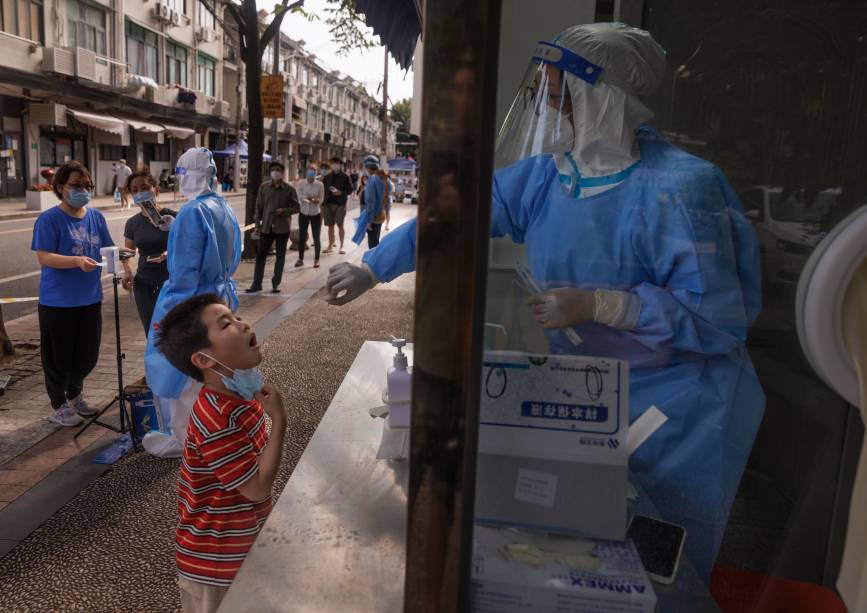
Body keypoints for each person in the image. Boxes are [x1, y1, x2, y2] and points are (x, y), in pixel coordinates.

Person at [326, 23, 765, 580]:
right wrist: (373, 265)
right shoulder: (549, 178)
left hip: (682, 406)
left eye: (561, 95)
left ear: (605, 94)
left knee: (661, 564)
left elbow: (718, 319)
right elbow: (453, 213)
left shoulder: (682, 187)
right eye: (547, 96)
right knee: (587, 549)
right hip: (590, 389)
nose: (552, 110)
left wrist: (604, 305)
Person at [153, 294, 286, 613]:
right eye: (226, 323)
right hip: (215, 561)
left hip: (240, 543)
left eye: (237, 317)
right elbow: (255, 488)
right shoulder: (217, 418)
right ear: (203, 360)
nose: (242, 324)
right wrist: (279, 420)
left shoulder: (241, 397)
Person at [144, 147, 242, 458]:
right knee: (211, 370)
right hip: (218, 299)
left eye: (181, 172)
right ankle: (212, 430)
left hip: (191, 302)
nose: (178, 178)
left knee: (180, 371)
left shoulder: (192, 212)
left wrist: (171, 312)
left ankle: (185, 438)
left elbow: (184, 273)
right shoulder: (221, 206)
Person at [31, 161, 114, 427]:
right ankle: (59, 405)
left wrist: (124, 260)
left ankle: (76, 394)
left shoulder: (96, 217)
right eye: (76, 186)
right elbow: (44, 257)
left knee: (86, 354)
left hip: (90, 298)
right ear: (60, 188)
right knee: (58, 357)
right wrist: (75, 261)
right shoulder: (49, 219)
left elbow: (108, 249)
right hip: (58, 302)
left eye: (87, 186)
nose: (84, 190)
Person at [121, 171, 178, 334]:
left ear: (157, 190)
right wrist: (128, 272)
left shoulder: (174, 217)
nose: (140, 193)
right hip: (144, 285)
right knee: (153, 333)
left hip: (172, 284)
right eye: (135, 190)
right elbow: (129, 253)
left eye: (145, 188)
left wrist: (170, 252)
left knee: (174, 333)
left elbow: (189, 247)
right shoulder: (132, 223)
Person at [245, 162, 300, 294]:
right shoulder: (264, 187)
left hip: (282, 228)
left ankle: (276, 284)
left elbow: (297, 207)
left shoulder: (289, 189)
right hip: (266, 227)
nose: (275, 172)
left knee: (280, 256)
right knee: (260, 256)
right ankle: (256, 284)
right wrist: (257, 225)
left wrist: (285, 211)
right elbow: (258, 207)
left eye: (278, 170)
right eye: (273, 170)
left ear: (282, 172)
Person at [352, 155, 390, 248]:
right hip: (382, 214)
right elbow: (387, 199)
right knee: (376, 240)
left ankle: (373, 262)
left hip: (374, 217)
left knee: (372, 244)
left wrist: (369, 220)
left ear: (368, 167)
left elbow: (370, 202)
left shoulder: (372, 179)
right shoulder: (385, 178)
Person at [294, 164, 325, 268]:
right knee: (302, 236)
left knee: (316, 237)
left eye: (314, 170)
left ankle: (317, 259)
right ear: (306, 171)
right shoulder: (301, 183)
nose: (312, 172)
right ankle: (300, 258)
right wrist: (311, 199)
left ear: (316, 172)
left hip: (316, 213)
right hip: (303, 213)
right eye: (310, 170)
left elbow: (321, 199)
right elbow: (300, 197)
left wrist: (314, 200)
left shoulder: (320, 185)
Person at [322, 157, 353, 255]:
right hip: (327, 204)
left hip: (340, 204)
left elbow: (350, 190)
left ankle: (342, 246)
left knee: (340, 225)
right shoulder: (327, 177)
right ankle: (330, 245)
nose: (335, 165)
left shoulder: (345, 176)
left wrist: (341, 193)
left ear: (340, 165)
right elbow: (323, 190)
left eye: (337, 163)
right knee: (330, 226)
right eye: (333, 163)